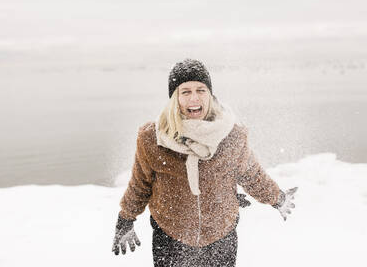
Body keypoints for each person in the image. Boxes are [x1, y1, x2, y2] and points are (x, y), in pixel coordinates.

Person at [112, 59, 297, 267]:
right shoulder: (152, 139)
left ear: (210, 94)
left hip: (220, 239)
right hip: (171, 239)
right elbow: (141, 183)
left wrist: (276, 197)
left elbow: (251, 175)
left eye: (201, 90)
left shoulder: (231, 136)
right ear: (175, 98)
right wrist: (126, 218)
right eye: (185, 91)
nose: (194, 98)